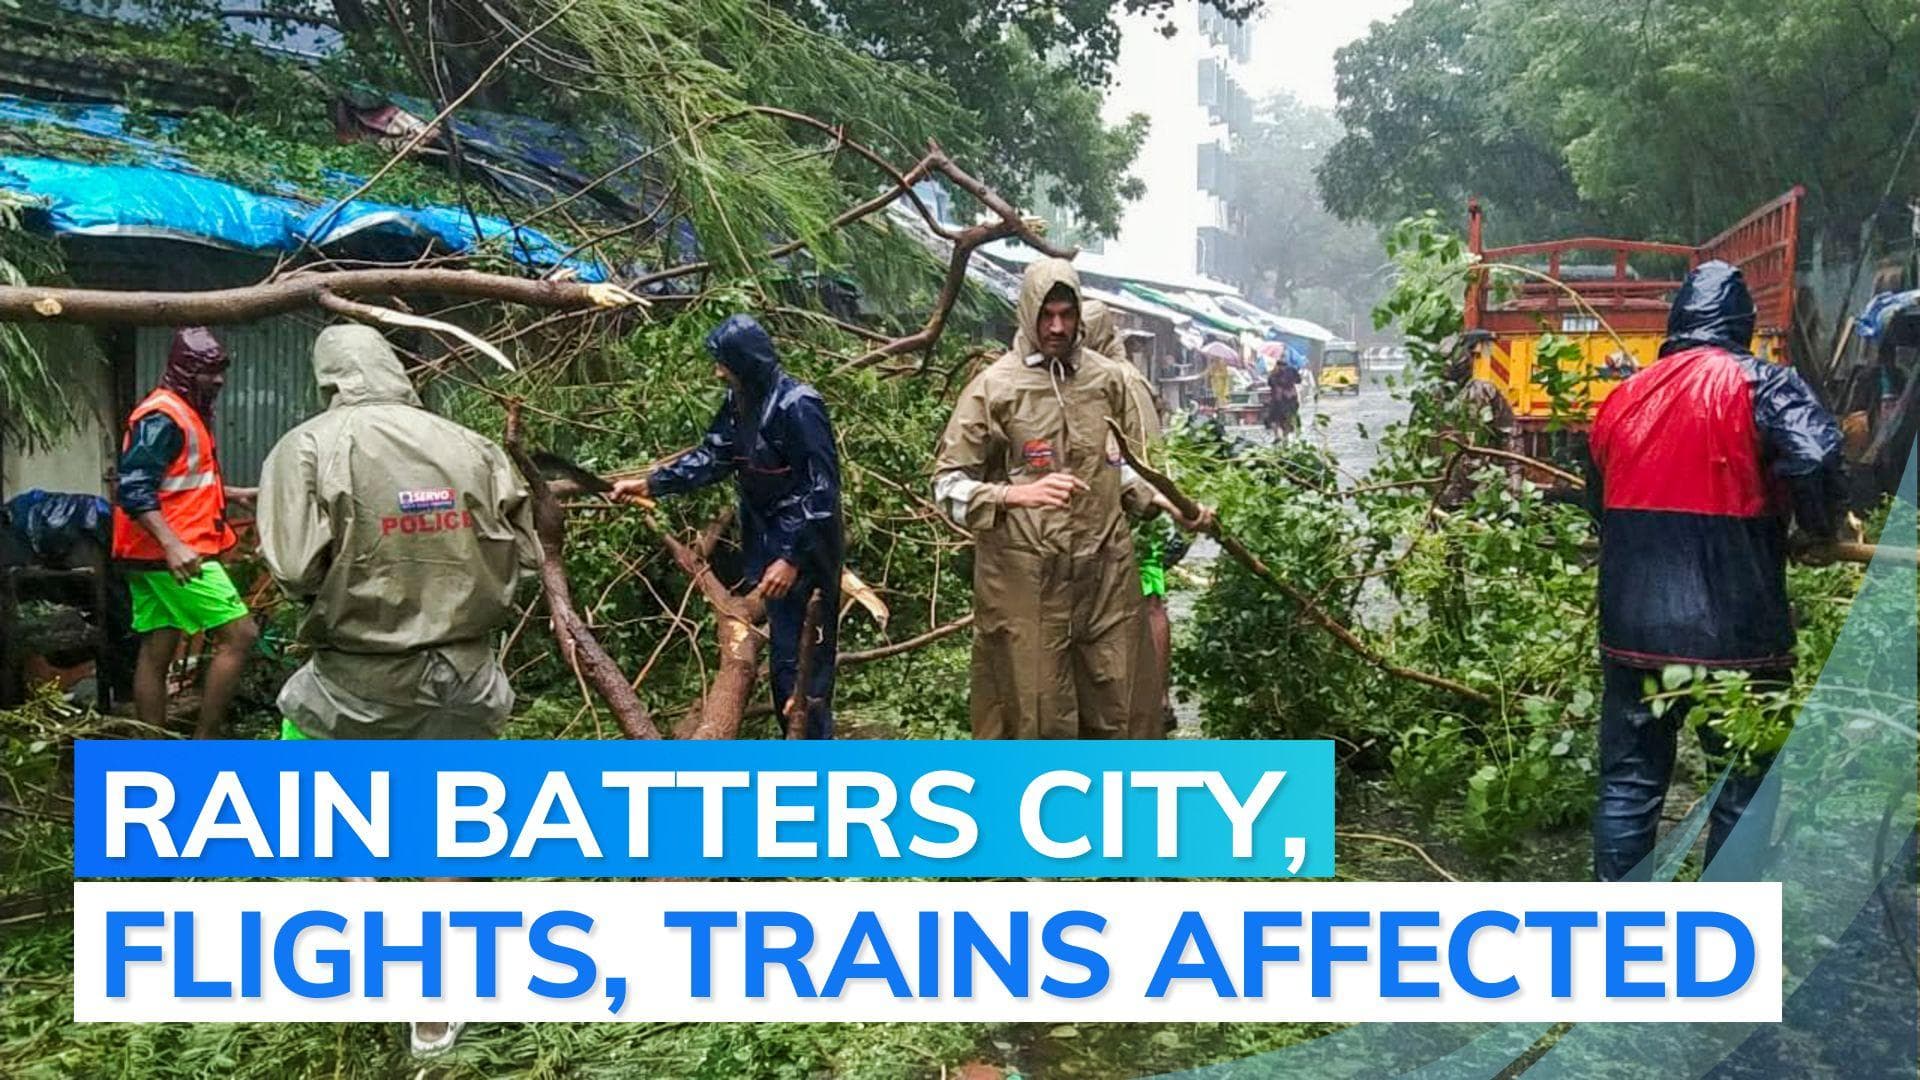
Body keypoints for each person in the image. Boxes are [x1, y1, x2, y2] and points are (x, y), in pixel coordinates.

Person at [257, 323, 541, 1057]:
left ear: (327, 378)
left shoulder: (311, 446)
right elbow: (524, 540)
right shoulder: (470, 443)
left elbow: (293, 568)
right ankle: (436, 1014)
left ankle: (365, 913)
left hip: (357, 677)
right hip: (465, 676)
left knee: (308, 798)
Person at [1584, 261, 1845, 882]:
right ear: (1741, 325)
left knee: (1630, 779)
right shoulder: (1764, 384)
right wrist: (1817, 528)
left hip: (1633, 634)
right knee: (1742, 783)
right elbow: (1815, 458)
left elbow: (1600, 506)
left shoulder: (1623, 398)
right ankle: (1720, 936)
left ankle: (1619, 928)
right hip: (1738, 634)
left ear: (1677, 324)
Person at [934, 260, 1207, 739]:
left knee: (1122, 713)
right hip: (1025, 583)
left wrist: (1166, 503)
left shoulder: (1108, 381)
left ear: (1081, 315)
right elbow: (948, 488)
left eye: (1066, 314)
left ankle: (1121, 813)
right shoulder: (994, 388)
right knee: (1038, 721)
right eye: (1047, 315)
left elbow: (1118, 469)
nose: (1057, 327)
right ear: (1027, 314)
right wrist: (1015, 496)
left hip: (1105, 576)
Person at [613, 315, 844, 738]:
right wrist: (651, 482)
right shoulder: (740, 402)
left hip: (806, 557)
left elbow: (822, 491)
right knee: (785, 664)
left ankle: (813, 764)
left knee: (805, 668)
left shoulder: (799, 405)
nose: (719, 371)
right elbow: (713, 456)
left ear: (746, 361)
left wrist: (791, 557)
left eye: (724, 362)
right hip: (769, 545)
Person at [110, 327, 257, 738]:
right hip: (171, 554)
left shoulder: (183, 411)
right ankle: (204, 745)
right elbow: (134, 487)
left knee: (158, 645)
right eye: (210, 372)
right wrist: (173, 546)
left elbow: (174, 480)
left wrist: (232, 493)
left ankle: (155, 751)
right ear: (186, 370)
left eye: (221, 371)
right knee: (240, 634)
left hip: (148, 552)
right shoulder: (163, 416)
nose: (220, 381)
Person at [1265, 359, 1301, 439]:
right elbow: (1298, 381)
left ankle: (1279, 436)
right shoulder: (1291, 371)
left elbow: (1270, 383)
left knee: (1275, 419)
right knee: (1285, 419)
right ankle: (1284, 437)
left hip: (1280, 400)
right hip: (1289, 399)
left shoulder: (1274, 374)